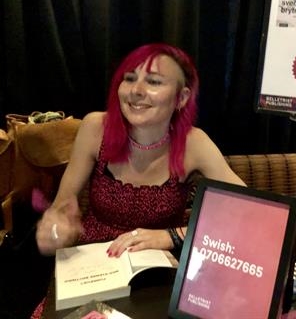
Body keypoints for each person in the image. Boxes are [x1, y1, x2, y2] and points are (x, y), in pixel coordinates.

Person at [31, 43, 245, 317]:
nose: (136, 90)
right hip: (95, 266)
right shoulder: (96, 127)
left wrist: (173, 236)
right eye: (129, 78)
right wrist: (57, 230)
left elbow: (250, 210)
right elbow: (62, 207)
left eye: (153, 81)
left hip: (160, 273)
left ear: (181, 98)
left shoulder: (195, 143)